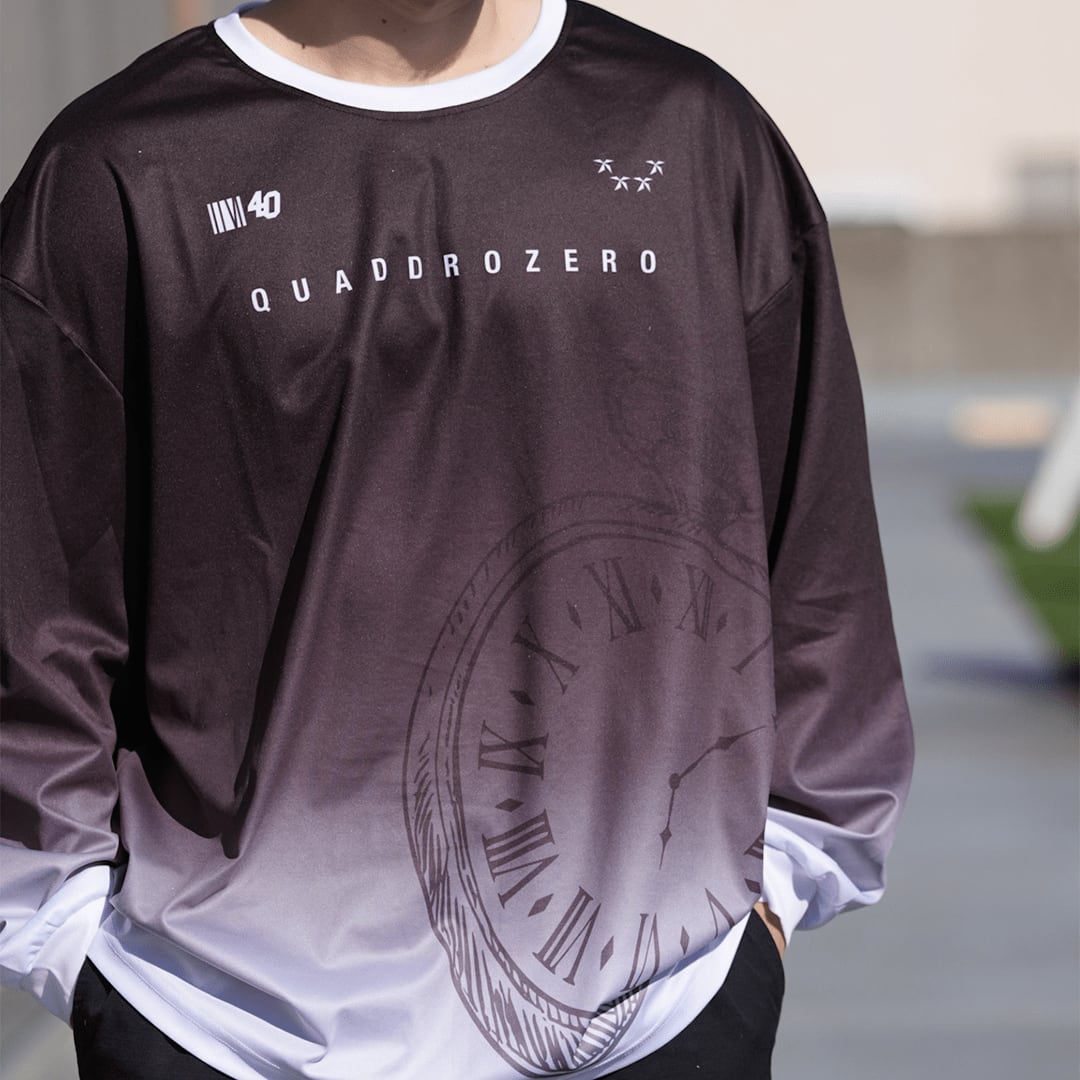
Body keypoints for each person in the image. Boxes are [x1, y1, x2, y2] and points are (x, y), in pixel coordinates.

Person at [0, 1, 914, 1077]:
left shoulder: (692, 132)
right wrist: (67, 943)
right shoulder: (119, 170)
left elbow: (816, 546)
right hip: (225, 1026)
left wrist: (784, 883)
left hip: (657, 1014)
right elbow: (34, 597)